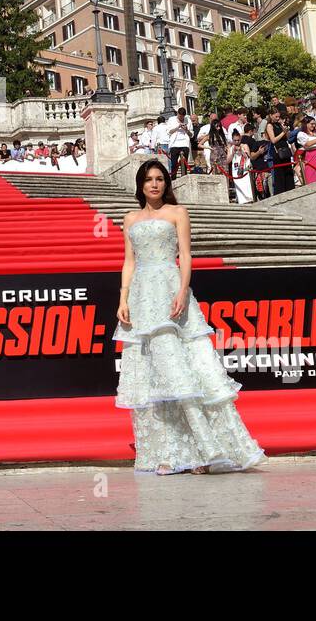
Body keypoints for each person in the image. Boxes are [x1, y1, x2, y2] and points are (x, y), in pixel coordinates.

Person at [115, 159, 265, 475]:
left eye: (159, 179)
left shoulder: (178, 213)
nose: (154, 184)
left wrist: (183, 290)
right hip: (143, 297)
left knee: (183, 371)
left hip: (171, 293)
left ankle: (208, 451)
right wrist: (123, 298)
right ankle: (171, 453)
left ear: (166, 183)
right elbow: (129, 262)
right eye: (148, 180)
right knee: (156, 375)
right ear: (140, 185)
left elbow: (186, 255)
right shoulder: (130, 218)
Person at [265, 111, 295, 195]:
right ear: (271, 115)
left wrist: (285, 129)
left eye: (279, 117)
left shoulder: (279, 125)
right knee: (280, 175)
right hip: (278, 152)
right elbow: (273, 140)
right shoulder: (269, 125)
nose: (278, 118)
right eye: (276, 116)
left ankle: (290, 190)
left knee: (288, 173)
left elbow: (288, 137)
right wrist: (283, 132)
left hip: (285, 150)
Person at [227, 128, 254, 204]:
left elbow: (248, 157)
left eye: (238, 140)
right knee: (239, 186)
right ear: (232, 139)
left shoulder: (245, 145)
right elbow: (227, 161)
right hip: (236, 170)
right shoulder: (231, 148)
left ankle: (249, 200)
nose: (236, 142)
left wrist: (241, 151)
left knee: (246, 185)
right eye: (235, 140)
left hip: (244, 168)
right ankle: (241, 201)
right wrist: (233, 153)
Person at [166, 108, 192, 178]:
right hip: (174, 144)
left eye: (182, 117)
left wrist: (186, 130)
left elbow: (191, 135)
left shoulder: (188, 120)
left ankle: (184, 178)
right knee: (174, 164)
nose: (181, 118)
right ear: (177, 114)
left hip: (185, 144)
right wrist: (177, 127)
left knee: (184, 164)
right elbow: (169, 132)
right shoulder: (171, 119)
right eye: (179, 116)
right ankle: (173, 179)